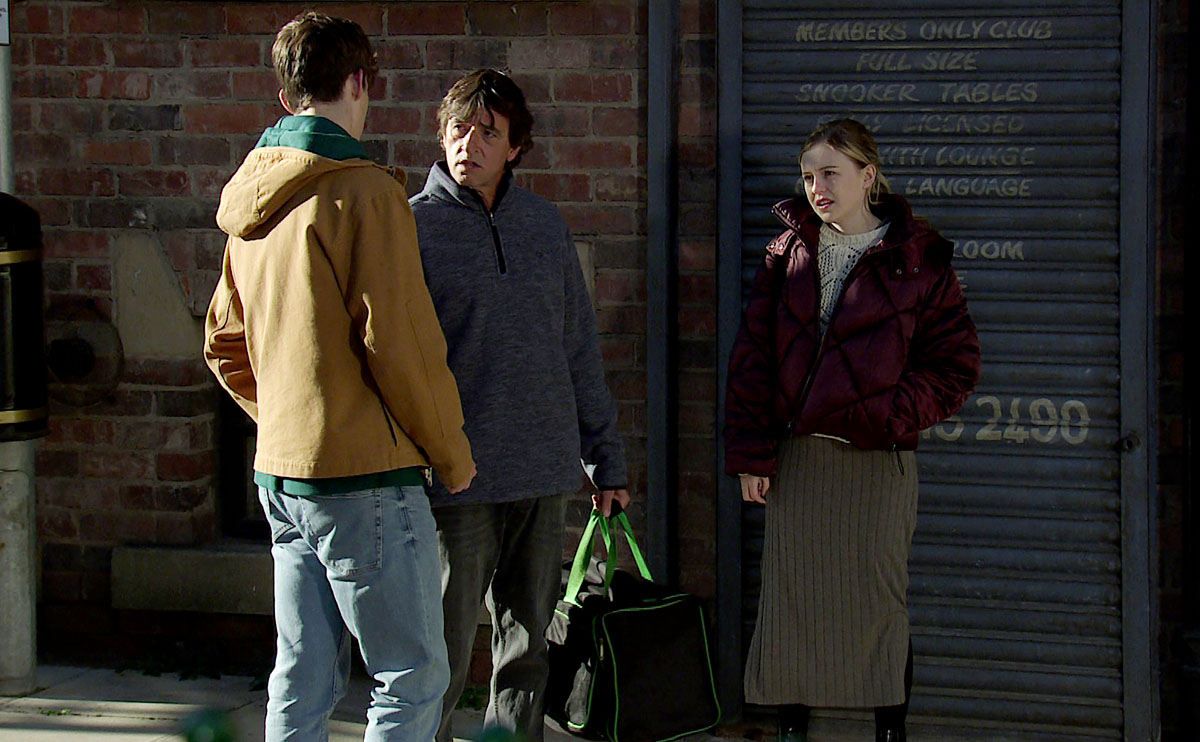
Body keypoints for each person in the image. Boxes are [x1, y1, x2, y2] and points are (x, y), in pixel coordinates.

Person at [203, 12, 476, 741]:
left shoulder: (252, 198)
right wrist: (451, 454)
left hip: (281, 474)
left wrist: (286, 418)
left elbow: (223, 344)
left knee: (302, 676)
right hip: (365, 478)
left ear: (286, 93)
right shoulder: (364, 192)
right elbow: (402, 346)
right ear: (360, 82)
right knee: (412, 676)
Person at [724, 118, 981, 742]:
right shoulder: (787, 253)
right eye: (808, 175)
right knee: (793, 601)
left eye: (831, 173)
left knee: (877, 604)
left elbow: (956, 365)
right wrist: (752, 454)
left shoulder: (918, 258)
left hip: (876, 465)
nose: (817, 187)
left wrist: (888, 413)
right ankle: (793, 729)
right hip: (800, 463)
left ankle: (889, 730)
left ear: (868, 176)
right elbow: (753, 360)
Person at [408, 68, 631, 742]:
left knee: (527, 651)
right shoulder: (411, 228)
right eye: (458, 129)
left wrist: (606, 459)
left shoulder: (543, 226)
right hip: (457, 478)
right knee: (439, 654)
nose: (468, 144)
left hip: (541, 470)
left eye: (488, 132)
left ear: (514, 147)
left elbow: (578, 348)